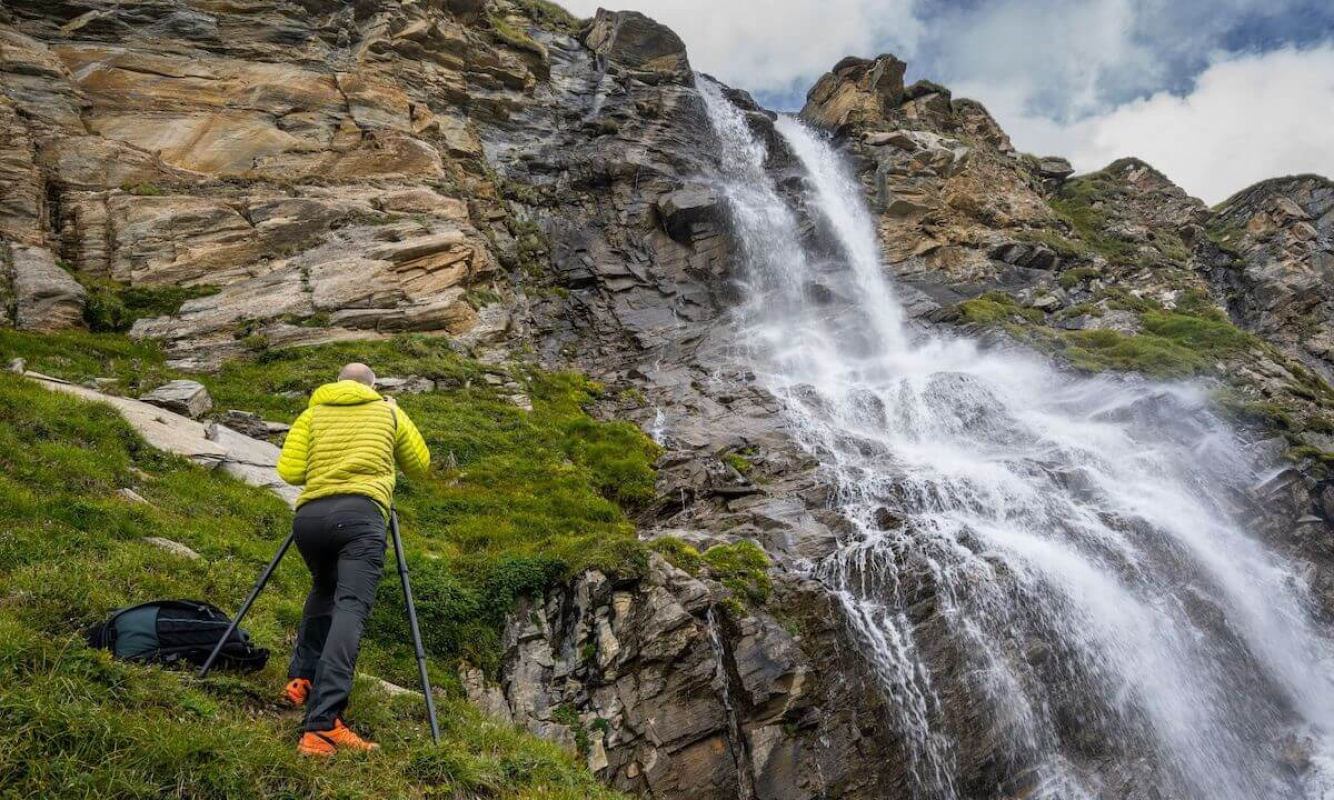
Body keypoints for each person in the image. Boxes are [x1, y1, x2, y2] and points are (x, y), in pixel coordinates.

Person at [275, 362, 431, 757]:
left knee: (322, 590)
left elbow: (290, 470)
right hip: (360, 517)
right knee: (350, 609)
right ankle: (323, 724)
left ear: (337, 384)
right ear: (372, 386)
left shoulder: (312, 412)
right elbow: (420, 464)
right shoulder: (388, 410)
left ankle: (300, 682)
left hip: (309, 520)